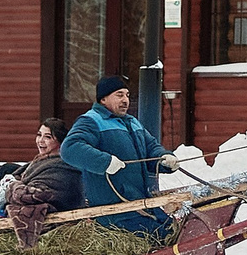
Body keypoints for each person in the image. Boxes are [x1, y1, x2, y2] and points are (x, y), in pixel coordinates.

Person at [61, 75, 176, 234]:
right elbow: (70, 149)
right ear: (103, 99)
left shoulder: (132, 122)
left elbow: (151, 147)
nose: (125, 100)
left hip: (141, 204)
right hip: (113, 212)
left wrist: (164, 158)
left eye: (127, 95)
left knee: (178, 230)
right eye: (119, 95)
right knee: (165, 235)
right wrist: (105, 162)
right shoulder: (91, 121)